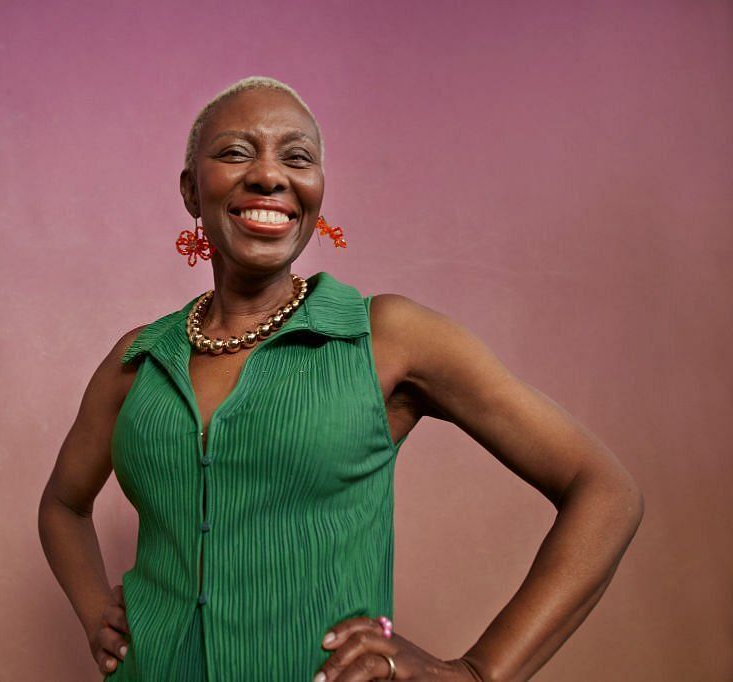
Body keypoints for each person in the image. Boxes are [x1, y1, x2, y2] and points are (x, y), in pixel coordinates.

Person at [37, 76, 644, 681]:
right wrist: (97, 613)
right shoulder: (137, 360)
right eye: (235, 152)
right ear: (191, 190)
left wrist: (477, 673)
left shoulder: (387, 339)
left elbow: (605, 492)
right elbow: (63, 505)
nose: (270, 176)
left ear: (317, 189)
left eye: (297, 157)